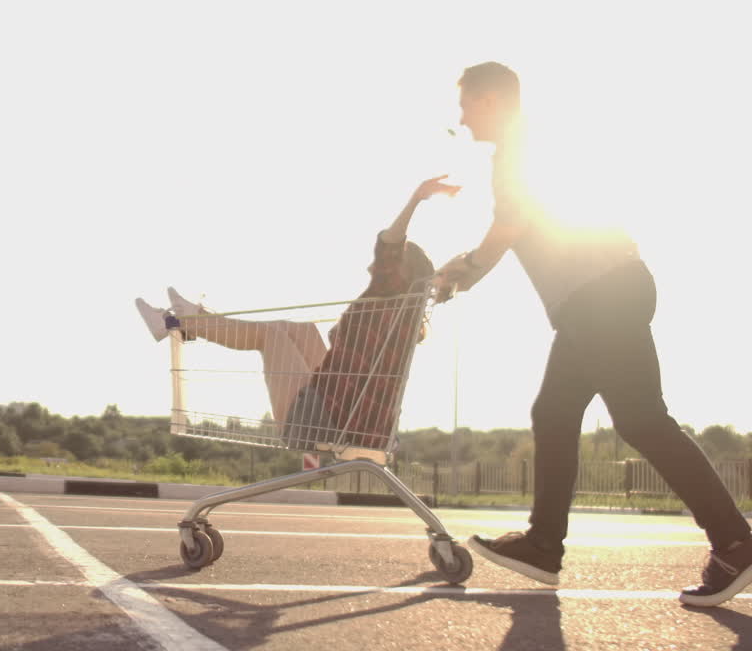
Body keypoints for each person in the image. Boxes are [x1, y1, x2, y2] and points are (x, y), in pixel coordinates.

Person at [434, 61, 752, 607]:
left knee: (642, 421)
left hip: (599, 298)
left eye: (465, 105)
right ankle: (542, 545)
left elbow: (511, 223)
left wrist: (466, 267)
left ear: (489, 100)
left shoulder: (518, 149)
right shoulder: (528, 144)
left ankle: (735, 541)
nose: (461, 119)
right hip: (598, 298)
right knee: (555, 413)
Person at [136, 175, 459, 452]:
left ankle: (181, 321)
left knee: (272, 334)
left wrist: (416, 199)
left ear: (398, 272)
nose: (373, 263)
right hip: (355, 420)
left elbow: (388, 243)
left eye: (389, 260)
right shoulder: (402, 315)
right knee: (301, 331)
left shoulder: (384, 296)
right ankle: (184, 320)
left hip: (324, 425)